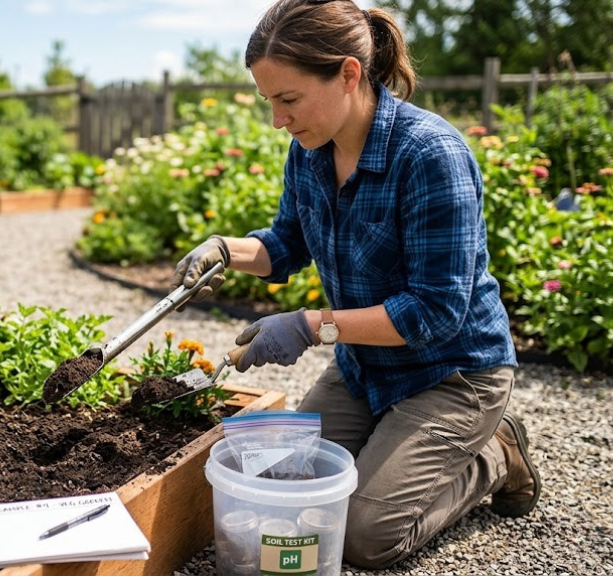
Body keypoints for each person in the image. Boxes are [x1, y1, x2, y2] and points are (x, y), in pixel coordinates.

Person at [170, 0, 541, 569]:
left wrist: (311, 325)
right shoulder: (310, 152)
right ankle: (399, 447)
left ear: (348, 73)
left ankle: (495, 454)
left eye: (288, 99)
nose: (278, 119)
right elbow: (286, 243)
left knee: (364, 536)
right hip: (367, 365)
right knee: (291, 491)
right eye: (270, 101)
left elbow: (435, 313)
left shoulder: (429, 154)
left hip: (453, 372)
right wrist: (225, 249)